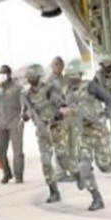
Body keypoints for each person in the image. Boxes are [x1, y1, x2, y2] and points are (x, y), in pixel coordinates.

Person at [52, 59, 111, 211]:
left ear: (80, 75)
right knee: (83, 165)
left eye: (75, 75)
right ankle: (97, 198)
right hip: (82, 133)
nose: (72, 79)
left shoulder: (90, 86)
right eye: (69, 75)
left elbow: (110, 100)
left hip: (98, 129)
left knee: (106, 166)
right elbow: (61, 108)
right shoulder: (65, 90)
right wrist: (60, 113)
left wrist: (106, 114)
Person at [21, 64, 66, 203]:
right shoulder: (26, 95)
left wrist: (55, 116)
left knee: (66, 160)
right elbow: (25, 114)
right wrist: (25, 116)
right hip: (42, 131)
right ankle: (54, 191)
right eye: (29, 78)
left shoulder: (51, 89)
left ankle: (79, 176)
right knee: (46, 162)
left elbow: (63, 107)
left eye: (33, 77)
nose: (31, 80)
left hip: (57, 128)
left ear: (39, 77)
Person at [0, 64, 25, 183]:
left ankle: (18, 175)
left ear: (9, 75)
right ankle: (6, 172)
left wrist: (23, 116)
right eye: (1, 74)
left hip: (15, 121)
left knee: (17, 151)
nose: (2, 76)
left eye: (4, 74)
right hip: (1, 123)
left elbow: (24, 104)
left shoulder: (18, 88)